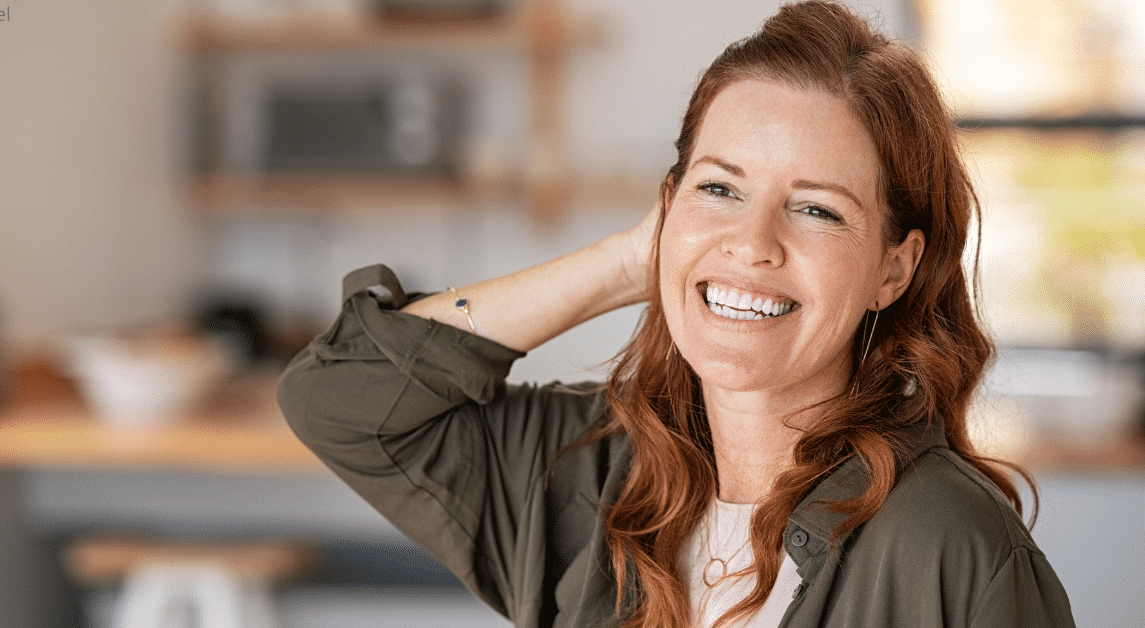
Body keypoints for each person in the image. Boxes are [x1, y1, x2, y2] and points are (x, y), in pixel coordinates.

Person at [277, 1, 1076, 626]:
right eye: (720, 189)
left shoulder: (949, 546)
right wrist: (629, 263)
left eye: (818, 211)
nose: (752, 243)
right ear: (666, 210)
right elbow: (340, 398)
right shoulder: (588, 470)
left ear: (893, 268)